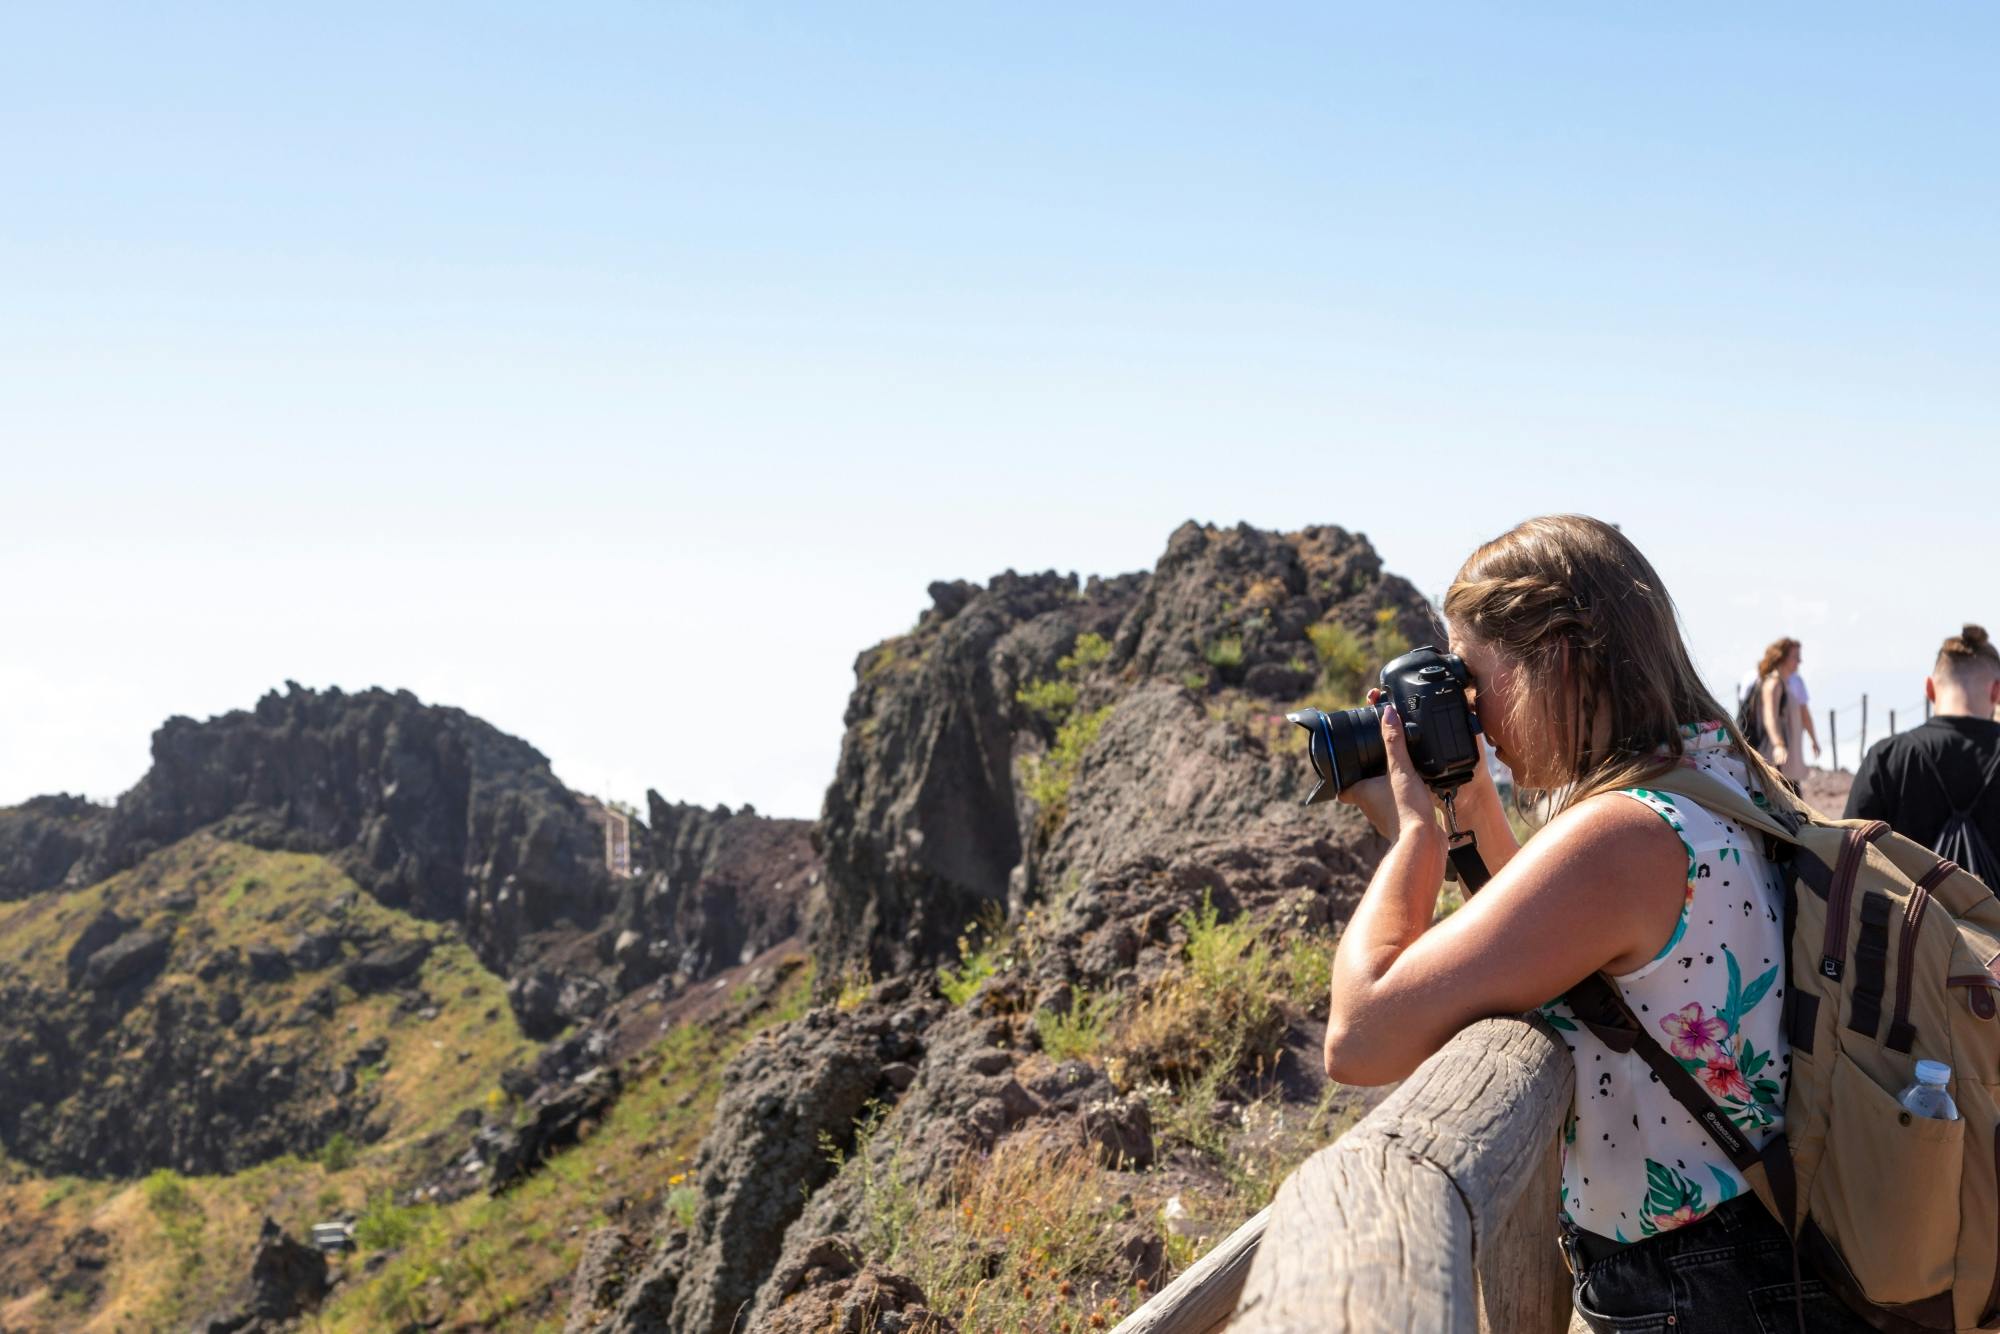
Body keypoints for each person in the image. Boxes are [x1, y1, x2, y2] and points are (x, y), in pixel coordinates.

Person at [1323, 515, 1868, 1332]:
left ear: (1561, 657)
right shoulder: (1716, 774)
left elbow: (1358, 1039)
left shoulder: (1624, 834)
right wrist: (1468, 798)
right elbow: (1548, 933)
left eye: (1476, 680)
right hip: (1760, 1256)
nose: (1476, 718)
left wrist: (1413, 839)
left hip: (1690, 1290)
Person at [1844, 625, 2000, 885]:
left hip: (1907, 922)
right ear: (1996, 692)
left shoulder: (1887, 757)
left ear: (1929, 689)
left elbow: (1849, 852)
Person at [1750, 638, 1813, 784]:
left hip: (1785, 762)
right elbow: (1769, 716)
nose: (1799, 661)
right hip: (1775, 760)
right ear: (1782, 657)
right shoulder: (1774, 684)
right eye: (1795, 657)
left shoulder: (1784, 683)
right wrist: (1778, 744)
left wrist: (1812, 738)